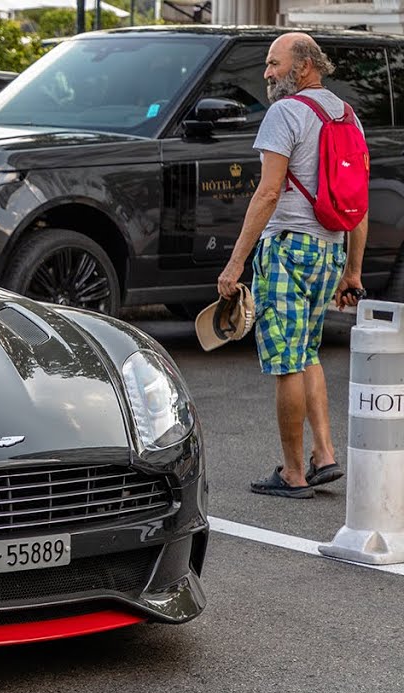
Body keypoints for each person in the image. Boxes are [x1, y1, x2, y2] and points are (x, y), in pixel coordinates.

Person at [215, 32, 367, 499]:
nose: (267, 72)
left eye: (273, 63)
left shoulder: (285, 113)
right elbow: (356, 203)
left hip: (286, 249)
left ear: (302, 68)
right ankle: (325, 456)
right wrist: (353, 272)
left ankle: (293, 472)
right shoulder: (347, 115)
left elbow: (267, 192)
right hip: (329, 251)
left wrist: (235, 263)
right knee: (308, 353)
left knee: (286, 363)